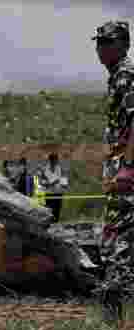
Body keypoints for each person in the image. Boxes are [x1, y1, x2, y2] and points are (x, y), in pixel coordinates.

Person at [95, 21, 134, 314]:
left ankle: (121, 311)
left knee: (120, 237)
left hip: (127, 168)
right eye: (99, 43)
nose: (100, 49)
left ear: (123, 44)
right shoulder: (116, 76)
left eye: (107, 42)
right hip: (119, 164)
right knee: (116, 234)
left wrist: (128, 168)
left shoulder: (126, 74)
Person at [42, 153, 65, 222]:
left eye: (56, 160)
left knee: (57, 210)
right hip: (49, 193)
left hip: (58, 193)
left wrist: (62, 184)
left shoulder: (60, 169)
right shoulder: (45, 169)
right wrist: (49, 183)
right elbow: (42, 182)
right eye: (53, 160)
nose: (55, 162)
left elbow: (64, 181)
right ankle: (49, 223)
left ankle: (55, 224)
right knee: (49, 210)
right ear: (50, 160)